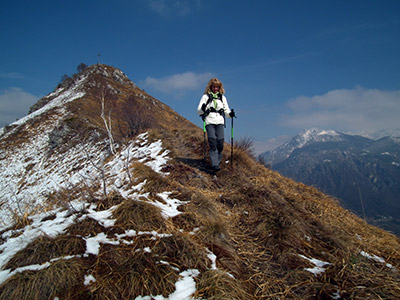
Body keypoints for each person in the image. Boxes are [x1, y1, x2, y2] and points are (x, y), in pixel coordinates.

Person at [197, 78, 235, 172]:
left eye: (217, 87)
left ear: (219, 87)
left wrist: (230, 114)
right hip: (209, 121)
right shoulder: (205, 97)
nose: (215, 88)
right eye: (214, 87)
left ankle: (217, 162)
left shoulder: (222, 98)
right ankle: (215, 164)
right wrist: (203, 108)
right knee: (212, 141)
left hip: (220, 122)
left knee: (220, 142)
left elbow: (226, 110)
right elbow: (199, 111)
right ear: (210, 87)